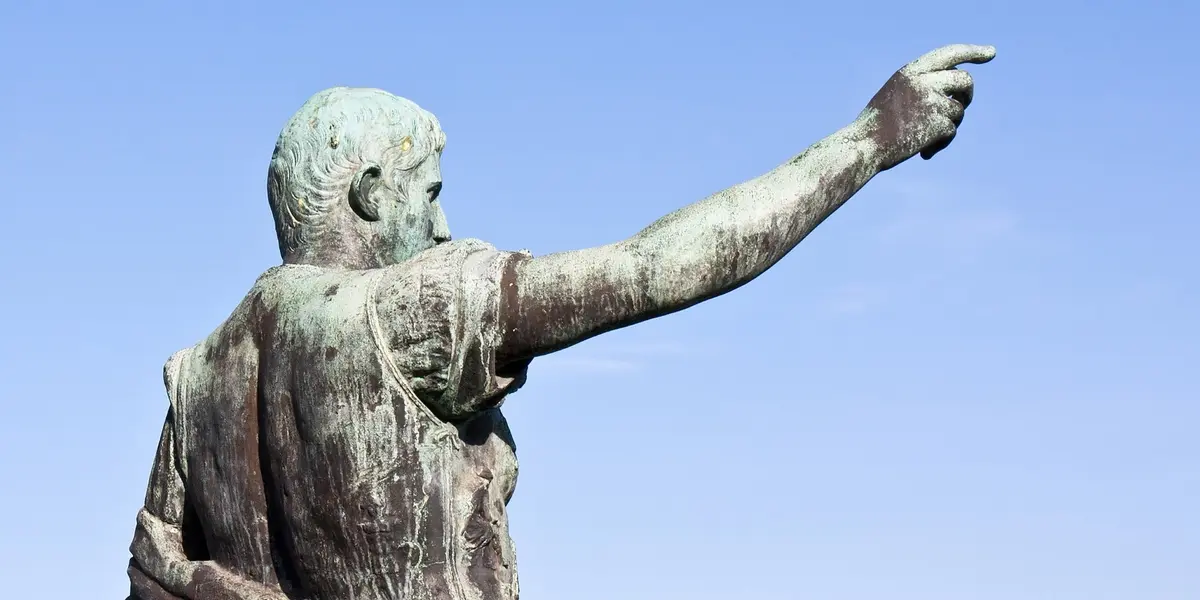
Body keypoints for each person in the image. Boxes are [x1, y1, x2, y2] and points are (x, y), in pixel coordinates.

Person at [127, 44, 996, 600]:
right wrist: (870, 141)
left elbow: (153, 578)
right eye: (426, 194)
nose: (437, 225)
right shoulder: (407, 310)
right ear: (369, 195)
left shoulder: (198, 375)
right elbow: (654, 268)